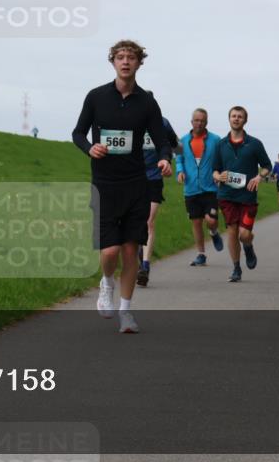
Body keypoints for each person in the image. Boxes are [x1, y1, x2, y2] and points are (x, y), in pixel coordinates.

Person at [72, 40, 173, 333]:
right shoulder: (96, 97)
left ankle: (126, 312)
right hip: (104, 183)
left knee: (131, 251)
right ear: (113, 62)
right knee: (110, 252)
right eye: (120, 57)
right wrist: (89, 148)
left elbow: (162, 139)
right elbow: (78, 132)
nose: (126, 62)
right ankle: (106, 282)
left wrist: (165, 160)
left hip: (136, 184)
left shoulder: (147, 103)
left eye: (131, 57)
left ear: (139, 63)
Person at [212, 106, 272, 283]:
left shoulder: (254, 144)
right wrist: (218, 176)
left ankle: (248, 246)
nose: (236, 119)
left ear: (245, 120)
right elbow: (214, 170)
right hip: (227, 195)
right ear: (229, 119)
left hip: (247, 196)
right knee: (232, 231)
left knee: (244, 234)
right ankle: (236, 267)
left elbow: (268, 166)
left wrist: (259, 177)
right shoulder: (221, 144)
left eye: (239, 117)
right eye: (233, 116)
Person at [174, 108, 224, 268]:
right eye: (196, 120)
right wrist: (180, 172)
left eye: (202, 120)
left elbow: (222, 159)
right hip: (191, 189)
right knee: (196, 222)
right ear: (191, 121)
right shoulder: (181, 140)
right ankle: (201, 254)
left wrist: (220, 174)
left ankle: (214, 232)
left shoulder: (216, 140)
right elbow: (178, 159)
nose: (199, 123)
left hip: (210, 188)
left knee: (210, 220)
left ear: (206, 122)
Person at [137, 114, 178, 286]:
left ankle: (145, 266)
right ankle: (139, 253)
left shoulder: (162, 122)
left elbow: (173, 144)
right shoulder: (129, 118)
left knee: (148, 222)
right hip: (132, 178)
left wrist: (167, 158)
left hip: (153, 178)